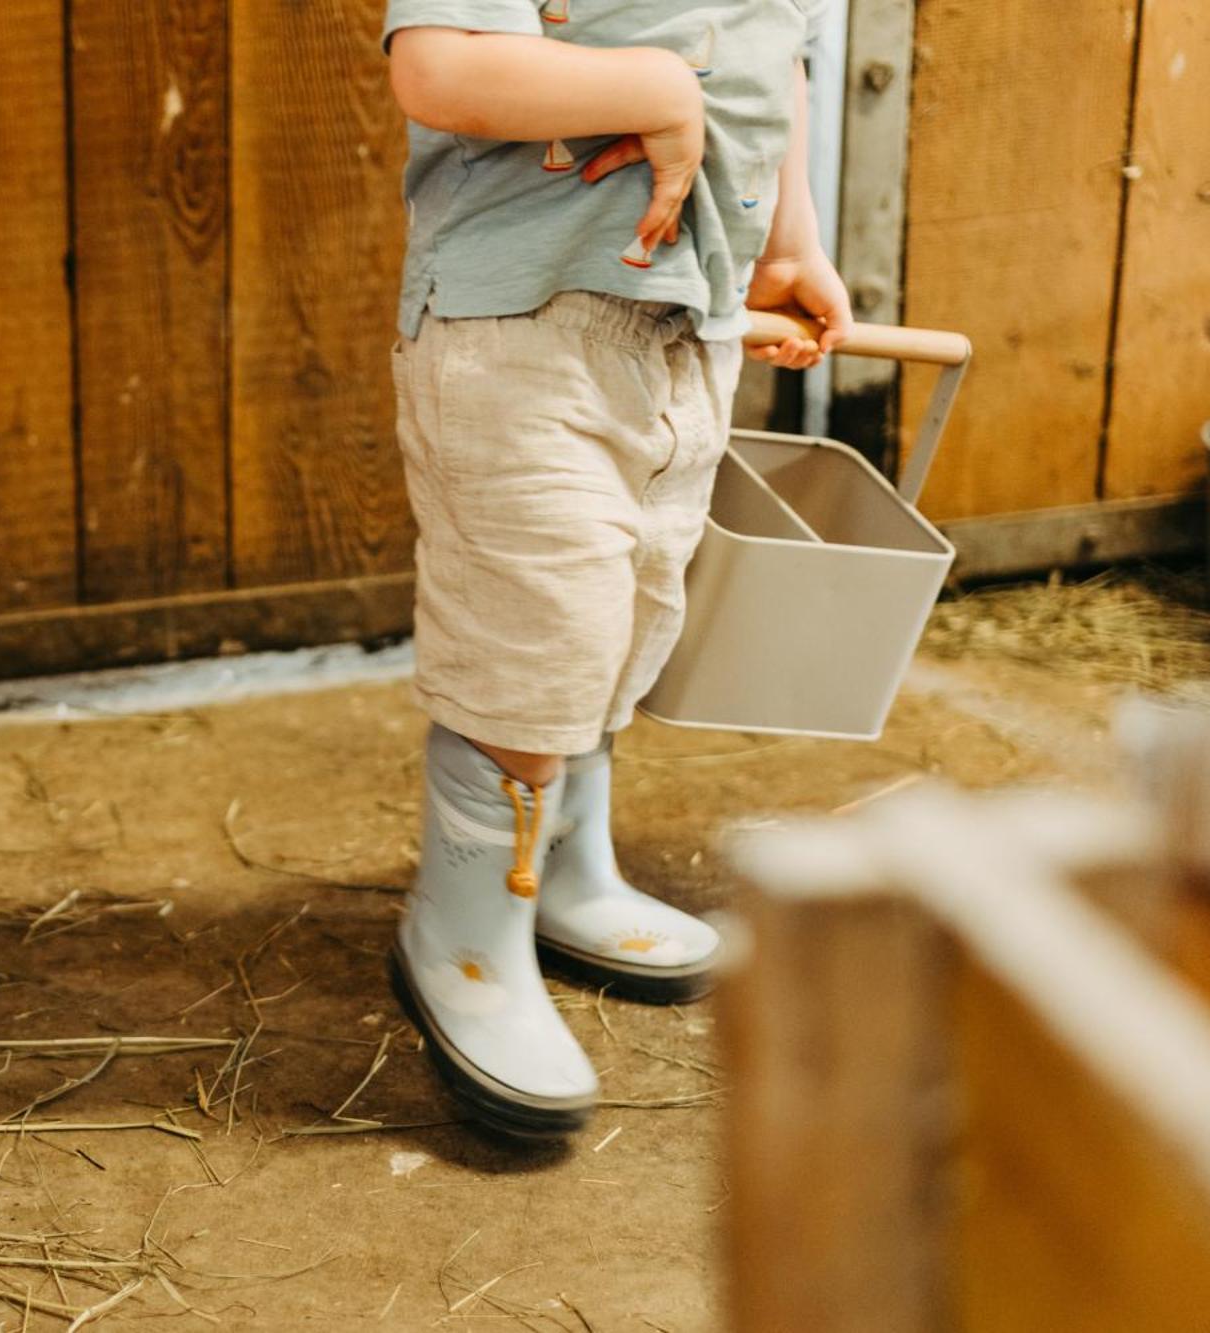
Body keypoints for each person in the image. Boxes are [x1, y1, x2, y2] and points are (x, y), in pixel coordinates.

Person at [380, 0, 852, 1135]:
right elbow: (438, 70)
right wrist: (655, 92)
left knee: (621, 612)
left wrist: (789, 243)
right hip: (520, 330)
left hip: (689, 328)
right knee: (534, 630)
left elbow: (771, 57)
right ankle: (464, 931)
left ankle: (566, 874)